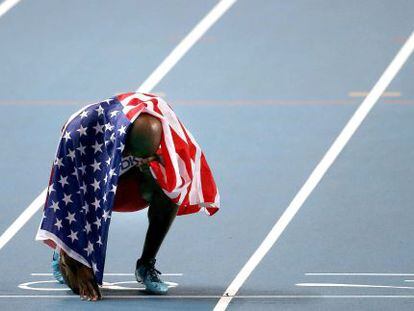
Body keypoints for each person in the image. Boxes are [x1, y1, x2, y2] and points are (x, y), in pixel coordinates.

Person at [36, 92, 220, 301]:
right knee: (78, 283)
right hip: (93, 186)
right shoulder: (81, 134)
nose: (142, 161)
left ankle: (146, 264)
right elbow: (66, 196)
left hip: (132, 186)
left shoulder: (165, 134)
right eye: (137, 155)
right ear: (124, 139)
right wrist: (74, 256)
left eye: (147, 156)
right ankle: (62, 247)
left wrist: (149, 161)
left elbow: (185, 177)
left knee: (168, 191)